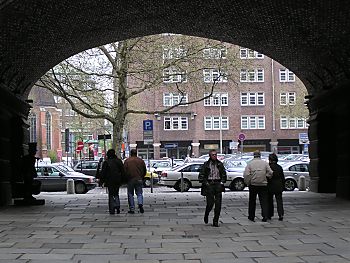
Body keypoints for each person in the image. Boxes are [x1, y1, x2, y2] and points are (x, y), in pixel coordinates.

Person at [199, 149, 227, 227]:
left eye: (215, 154)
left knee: (218, 204)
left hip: (218, 184)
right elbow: (201, 176)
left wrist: (222, 182)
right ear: (210, 156)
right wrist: (206, 183)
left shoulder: (220, 164)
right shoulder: (206, 164)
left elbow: (224, 174)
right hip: (209, 184)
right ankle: (207, 213)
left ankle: (215, 221)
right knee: (210, 203)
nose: (214, 156)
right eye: (213, 155)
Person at [243, 150, 273, 222]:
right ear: (260, 155)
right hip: (263, 184)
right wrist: (266, 176)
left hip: (253, 184)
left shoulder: (250, 164)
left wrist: (248, 182)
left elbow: (246, 174)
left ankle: (251, 216)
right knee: (264, 201)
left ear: (254, 155)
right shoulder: (264, 163)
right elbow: (271, 172)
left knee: (252, 201)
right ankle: (265, 216)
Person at [100, 149, 125, 215]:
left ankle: (112, 209)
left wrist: (101, 181)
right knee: (116, 193)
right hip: (117, 180)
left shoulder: (106, 162)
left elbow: (103, 173)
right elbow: (123, 171)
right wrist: (123, 180)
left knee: (111, 194)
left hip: (109, 180)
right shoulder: (118, 161)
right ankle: (117, 206)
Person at [124, 149, 147, 214]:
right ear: (136, 153)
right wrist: (142, 177)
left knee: (130, 194)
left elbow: (124, 171)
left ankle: (132, 208)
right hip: (139, 179)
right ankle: (140, 203)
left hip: (130, 179)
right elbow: (144, 170)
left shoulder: (127, 161)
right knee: (139, 193)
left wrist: (125, 178)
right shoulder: (141, 161)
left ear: (131, 154)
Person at [267, 153, 285, 221]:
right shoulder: (279, 167)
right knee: (279, 201)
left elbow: (267, 177)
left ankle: (269, 214)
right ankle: (280, 214)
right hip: (278, 186)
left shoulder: (268, 167)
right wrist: (283, 186)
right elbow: (282, 178)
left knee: (269, 201)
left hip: (270, 186)